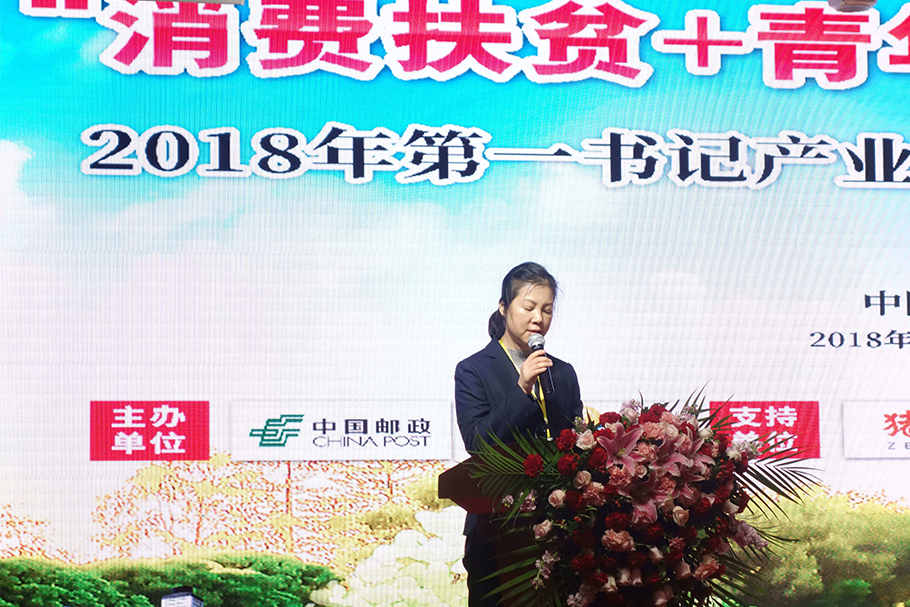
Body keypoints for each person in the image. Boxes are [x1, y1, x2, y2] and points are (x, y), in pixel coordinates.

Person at [454, 262, 583, 607]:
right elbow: (477, 442)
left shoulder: (563, 373)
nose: (538, 318)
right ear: (503, 307)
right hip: (497, 530)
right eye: (528, 307)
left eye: (547, 310)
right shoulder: (473, 370)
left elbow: (574, 445)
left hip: (559, 529)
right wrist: (522, 387)